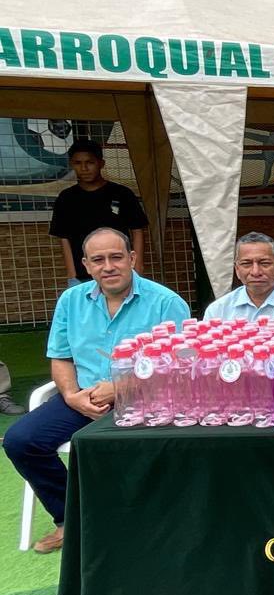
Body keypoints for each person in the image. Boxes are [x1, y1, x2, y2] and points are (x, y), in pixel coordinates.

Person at [3, 228, 190, 553]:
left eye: (116, 257)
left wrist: (121, 388)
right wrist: (72, 396)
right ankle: (70, 519)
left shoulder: (166, 303)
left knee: (144, 450)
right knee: (21, 441)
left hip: (148, 399)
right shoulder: (71, 300)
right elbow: (61, 357)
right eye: (98, 259)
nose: (108, 266)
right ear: (86, 265)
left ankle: (149, 524)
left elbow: (179, 368)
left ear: (132, 258)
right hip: (83, 398)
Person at [49, 138, 148, 286]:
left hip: (120, 271)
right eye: (78, 163)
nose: (84, 168)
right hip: (84, 275)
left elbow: (137, 229)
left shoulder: (122, 193)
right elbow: (64, 237)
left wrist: (138, 267)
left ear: (101, 163)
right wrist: (72, 276)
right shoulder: (66, 198)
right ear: (71, 164)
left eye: (90, 162)